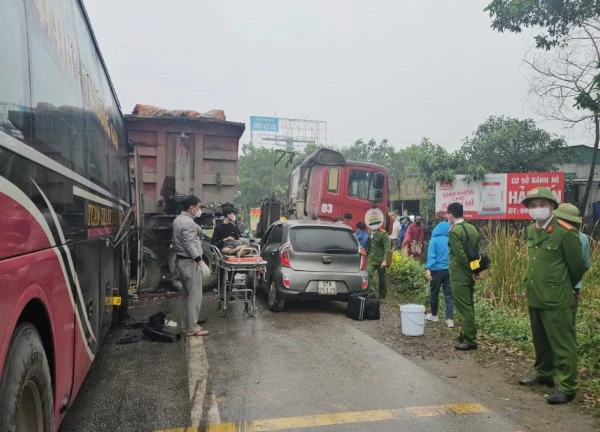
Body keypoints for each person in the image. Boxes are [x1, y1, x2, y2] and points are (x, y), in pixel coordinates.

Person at [519, 188, 586, 404]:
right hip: (535, 295)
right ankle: (544, 374)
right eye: (532, 204)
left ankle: (568, 386)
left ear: (551, 207)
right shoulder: (531, 230)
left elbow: (577, 267)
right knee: (541, 339)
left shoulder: (565, 232)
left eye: (541, 204)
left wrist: (563, 286)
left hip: (557, 297)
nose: (537, 208)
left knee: (562, 342)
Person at [172, 195, 209, 337]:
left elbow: (175, 241)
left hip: (181, 261)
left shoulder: (178, 220)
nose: (199, 210)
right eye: (198, 207)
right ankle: (193, 328)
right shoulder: (187, 223)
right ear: (191, 208)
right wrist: (200, 261)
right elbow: (189, 245)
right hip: (189, 262)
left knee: (186, 295)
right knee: (195, 296)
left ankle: (185, 326)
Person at [553, 203, 591, 336]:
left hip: (553, 286)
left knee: (552, 322)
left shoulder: (551, 236)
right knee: (569, 323)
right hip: (574, 287)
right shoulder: (583, 238)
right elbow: (585, 264)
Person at [446, 202, 480, 351]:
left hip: (460, 273)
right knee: (469, 303)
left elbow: (459, 255)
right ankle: (466, 332)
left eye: (447, 215)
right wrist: (475, 270)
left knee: (463, 306)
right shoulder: (472, 228)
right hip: (471, 271)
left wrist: (467, 270)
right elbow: (476, 252)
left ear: (450, 215)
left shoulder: (454, 231)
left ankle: (470, 339)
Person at [425, 221, 454, 328]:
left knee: (434, 293)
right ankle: (449, 319)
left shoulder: (434, 240)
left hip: (436, 271)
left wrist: (428, 268)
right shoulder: (451, 240)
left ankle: (434, 315)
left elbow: (431, 256)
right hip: (449, 270)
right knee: (449, 295)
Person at [366, 220, 391, 299]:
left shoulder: (383, 234)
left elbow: (387, 247)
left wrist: (385, 260)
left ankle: (382, 295)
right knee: (368, 274)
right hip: (371, 259)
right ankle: (372, 292)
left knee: (382, 278)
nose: (374, 226)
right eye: (372, 224)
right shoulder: (369, 233)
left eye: (376, 224)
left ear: (379, 225)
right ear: (370, 226)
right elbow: (369, 246)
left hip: (381, 260)